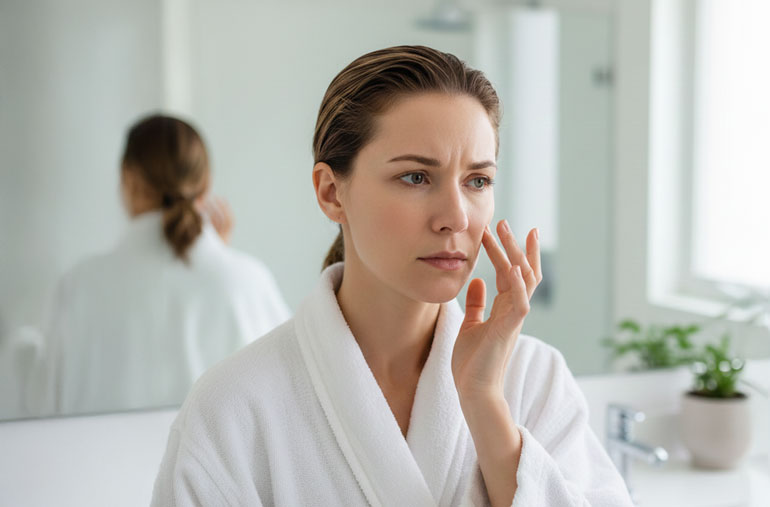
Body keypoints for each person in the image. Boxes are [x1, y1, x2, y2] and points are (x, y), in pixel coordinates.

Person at [151, 46, 633, 506]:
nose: (456, 217)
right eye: (416, 177)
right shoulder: (234, 407)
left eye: (477, 181)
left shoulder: (534, 378)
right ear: (331, 192)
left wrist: (484, 404)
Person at [30, 115, 290, 416]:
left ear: (128, 179)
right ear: (204, 185)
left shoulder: (78, 286)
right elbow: (284, 401)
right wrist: (222, 262)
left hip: (101, 462)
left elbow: (41, 405)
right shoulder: (247, 283)